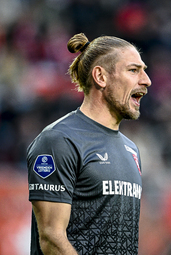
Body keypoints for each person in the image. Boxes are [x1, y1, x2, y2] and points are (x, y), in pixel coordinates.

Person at [27, 32, 151, 255]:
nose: (146, 80)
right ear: (100, 77)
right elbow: (51, 238)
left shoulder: (132, 149)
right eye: (133, 70)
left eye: (144, 70)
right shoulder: (59, 140)